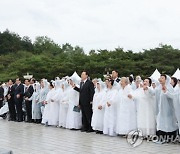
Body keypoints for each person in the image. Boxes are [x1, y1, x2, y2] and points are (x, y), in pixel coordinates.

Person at [155, 74, 178, 143]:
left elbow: (173, 97)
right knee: (161, 123)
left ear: (166, 80)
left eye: (162, 78)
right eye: (160, 78)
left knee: (169, 124)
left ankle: (171, 138)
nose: (160, 79)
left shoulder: (169, 87)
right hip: (162, 110)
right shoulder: (159, 88)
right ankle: (161, 138)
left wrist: (166, 92)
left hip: (168, 110)